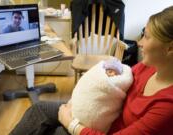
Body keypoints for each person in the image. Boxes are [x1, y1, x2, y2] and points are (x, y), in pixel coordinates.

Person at [10, 6, 173, 135]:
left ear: (170, 48)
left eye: (147, 37)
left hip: (107, 129)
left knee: (58, 131)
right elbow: (121, 80)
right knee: (39, 109)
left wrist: (72, 124)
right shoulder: (147, 67)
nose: (139, 42)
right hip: (105, 114)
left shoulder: (167, 107)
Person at [70, 57, 133, 133]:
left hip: (81, 126)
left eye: (116, 73)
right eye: (110, 71)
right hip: (74, 113)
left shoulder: (118, 81)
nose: (113, 74)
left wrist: (71, 125)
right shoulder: (99, 75)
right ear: (105, 70)